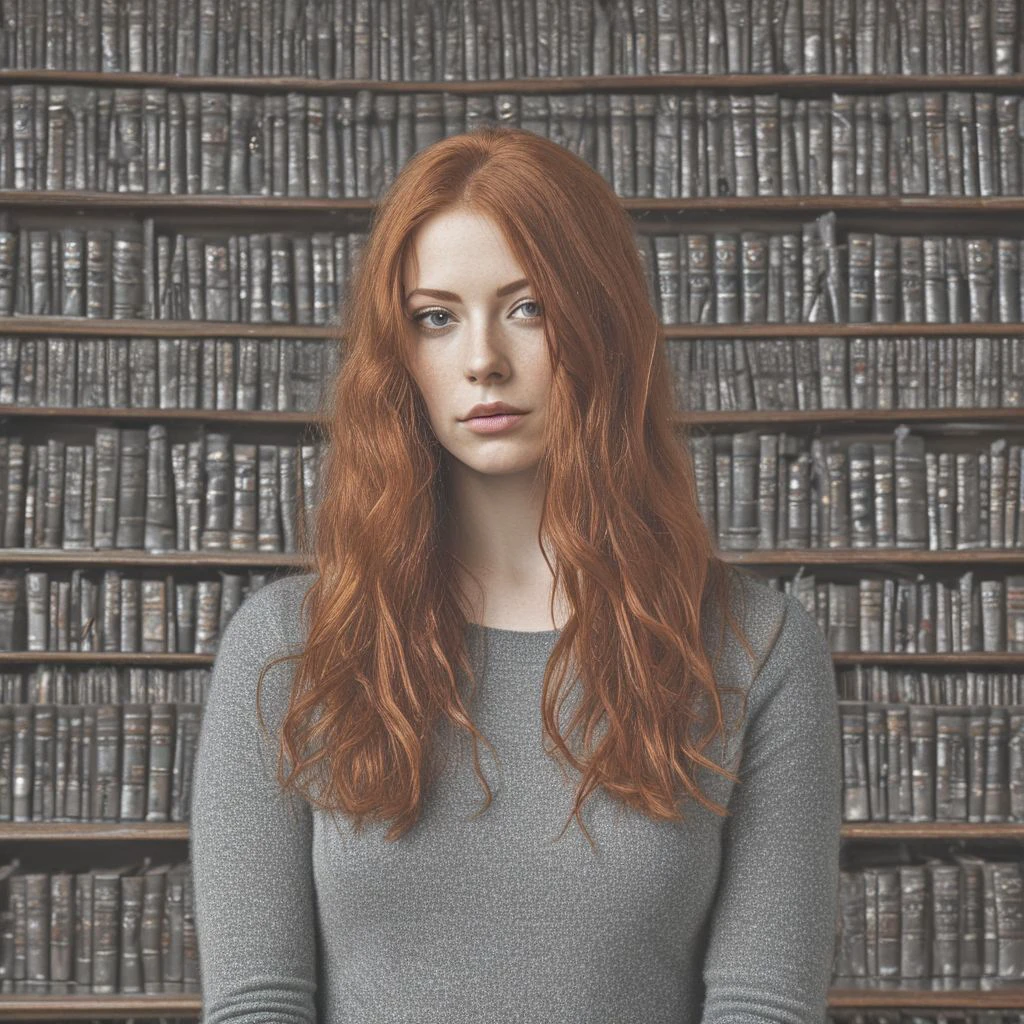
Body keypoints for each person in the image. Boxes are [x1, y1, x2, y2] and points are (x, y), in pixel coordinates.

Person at [189, 125, 842, 1024]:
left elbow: (763, 1006)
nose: (482, 358)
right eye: (436, 317)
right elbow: (257, 1003)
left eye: (528, 307)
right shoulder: (287, 648)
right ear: (399, 354)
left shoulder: (756, 647)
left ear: (602, 323)